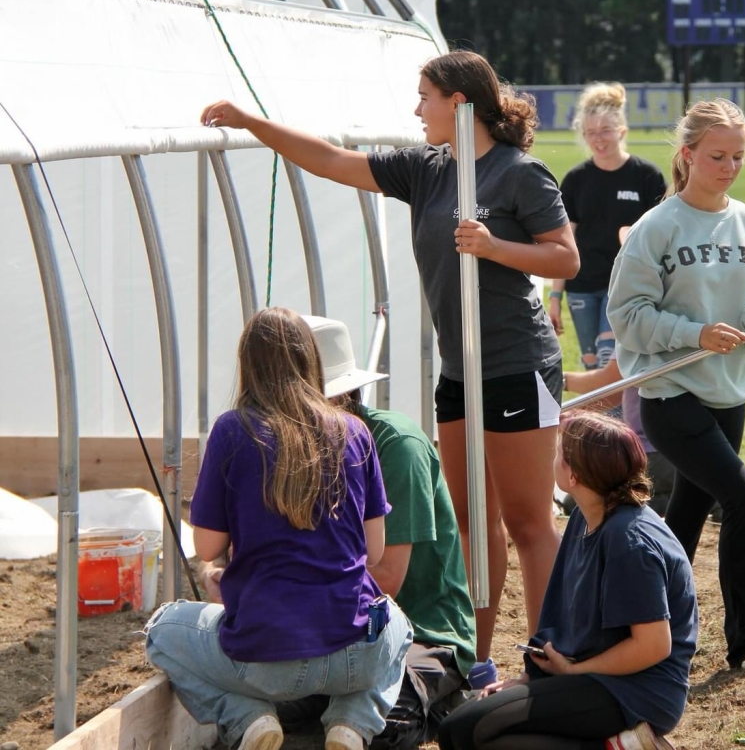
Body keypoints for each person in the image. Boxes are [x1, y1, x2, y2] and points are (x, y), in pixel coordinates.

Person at [201, 50, 580, 671]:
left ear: (460, 104)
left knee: (526, 522)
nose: (416, 108)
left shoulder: (520, 174)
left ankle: (545, 658)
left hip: (518, 365)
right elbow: (330, 161)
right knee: (469, 520)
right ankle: (474, 662)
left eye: (425, 96)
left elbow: (565, 259)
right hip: (460, 371)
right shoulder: (426, 170)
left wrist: (492, 246)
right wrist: (252, 122)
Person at [143, 307, 412, 750]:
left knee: (162, 629)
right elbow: (374, 551)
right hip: (355, 654)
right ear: (312, 362)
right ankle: (351, 723)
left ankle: (248, 719)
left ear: (246, 363)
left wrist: (222, 572)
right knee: (395, 622)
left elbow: (207, 544)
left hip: (261, 658)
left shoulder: (232, 430)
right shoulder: (356, 432)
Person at [607, 97, 745, 670]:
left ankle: (648, 619)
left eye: (739, 156)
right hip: (669, 394)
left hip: (729, 393)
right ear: (687, 156)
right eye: (718, 156)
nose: (731, 167)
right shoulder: (656, 226)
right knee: (742, 496)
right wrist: (694, 334)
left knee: (689, 512)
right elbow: (626, 315)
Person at [274, 314, 477, 750]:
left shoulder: (396, 446)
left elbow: (385, 580)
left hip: (421, 631)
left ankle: (443, 703)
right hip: (330, 626)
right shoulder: (300, 450)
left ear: (341, 396)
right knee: (264, 710)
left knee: (380, 732)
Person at [437, 411, 698, 750]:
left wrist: (573, 673)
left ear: (573, 476)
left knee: (466, 731)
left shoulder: (628, 540)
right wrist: (530, 678)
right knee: (466, 729)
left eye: (559, 451)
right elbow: (565, 613)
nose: (553, 455)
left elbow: (653, 645)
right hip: (593, 676)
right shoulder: (585, 514)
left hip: (636, 691)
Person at [549, 83, 665, 372]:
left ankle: (616, 418)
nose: (598, 139)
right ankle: (599, 418)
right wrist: (554, 298)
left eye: (605, 131)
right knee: (591, 364)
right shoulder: (576, 179)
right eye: (590, 133)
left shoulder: (646, 176)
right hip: (582, 288)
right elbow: (565, 240)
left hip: (624, 287)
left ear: (622, 131)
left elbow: (663, 237)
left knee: (608, 360)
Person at [562, 360, 675, 516]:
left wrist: (559, 379)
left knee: (579, 503)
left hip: (649, 451)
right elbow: (614, 391)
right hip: (668, 449)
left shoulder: (634, 335)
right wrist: (572, 417)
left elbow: (610, 380)